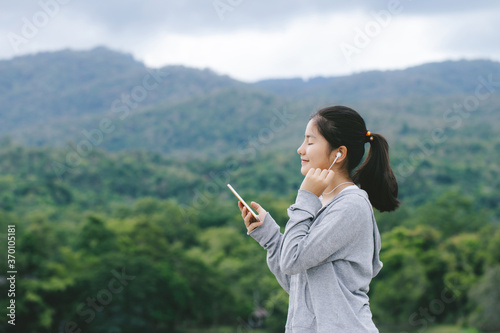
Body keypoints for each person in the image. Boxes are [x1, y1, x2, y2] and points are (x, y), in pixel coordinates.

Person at [238, 105, 400, 332]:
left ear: (339, 154)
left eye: (310, 142)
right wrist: (270, 237)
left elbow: (292, 260)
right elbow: (297, 281)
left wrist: (306, 197)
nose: (300, 149)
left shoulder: (350, 206)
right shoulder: (323, 202)